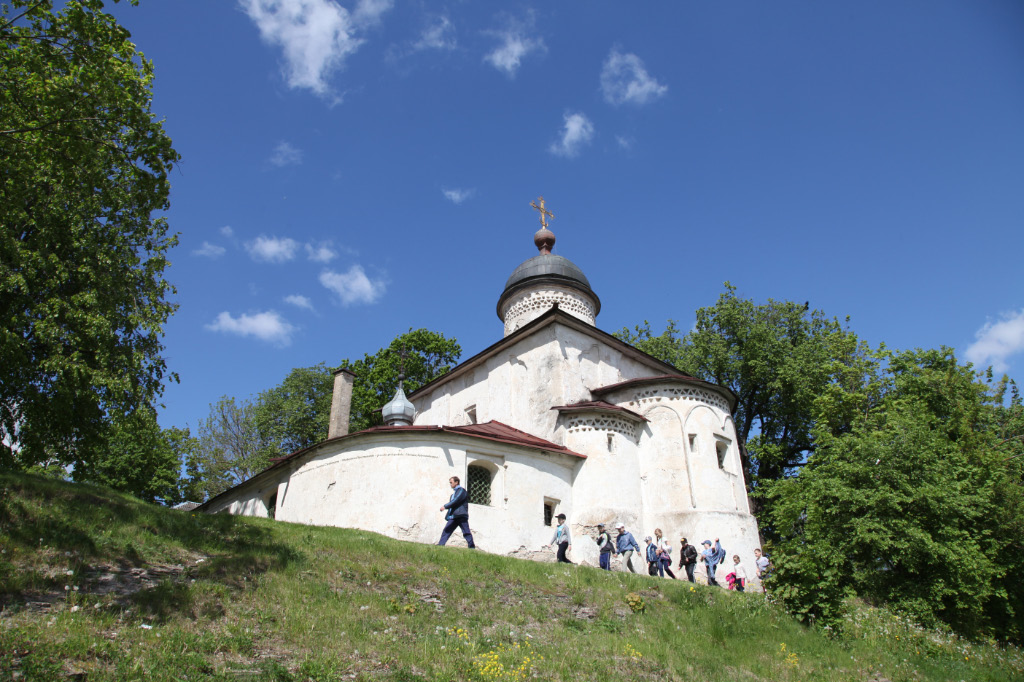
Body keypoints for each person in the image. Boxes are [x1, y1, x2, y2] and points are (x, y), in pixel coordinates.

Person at [437, 476, 475, 548]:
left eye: (451, 482)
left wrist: (445, 506)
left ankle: (471, 547)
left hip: (461, 515)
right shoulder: (453, 494)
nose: (450, 484)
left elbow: (456, 500)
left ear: (456, 482)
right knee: (447, 530)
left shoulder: (461, 491)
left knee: (466, 532)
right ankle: (441, 544)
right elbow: (453, 503)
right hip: (453, 516)